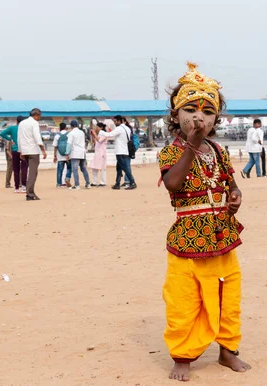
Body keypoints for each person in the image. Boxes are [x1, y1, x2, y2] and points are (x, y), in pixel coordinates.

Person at [158, 63, 250, 382]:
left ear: (216, 119)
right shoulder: (172, 152)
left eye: (208, 111)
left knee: (229, 294)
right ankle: (182, 356)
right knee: (184, 297)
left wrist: (235, 196)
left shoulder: (219, 150)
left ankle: (227, 351)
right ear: (175, 115)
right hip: (187, 237)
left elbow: (229, 183)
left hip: (222, 234)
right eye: (191, 108)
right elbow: (172, 184)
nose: (200, 117)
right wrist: (193, 145)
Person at [17, 108, 47, 201]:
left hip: (25, 150)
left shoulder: (22, 123)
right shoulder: (34, 123)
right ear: (37, 114)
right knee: (33, 173)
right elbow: (37, 137)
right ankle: (29, 193)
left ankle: (31, 192)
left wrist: (20, 150)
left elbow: (19, 137)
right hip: (33, 150)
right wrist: (43, 150)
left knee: (32, 172)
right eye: (40, 116)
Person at [104, 115, 137, 190]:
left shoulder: (119, 128)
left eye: (115, 121)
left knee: (125, 168)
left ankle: (132, 182)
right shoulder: (127, 128)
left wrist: (101, 132)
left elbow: (109, 134)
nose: (115, 123)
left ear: (119, 121)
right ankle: (117, 183)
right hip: (125, 151)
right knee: (119, 168)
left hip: (120, 151)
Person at [0, 116, 28, 193]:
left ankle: (16, 187)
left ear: (16, 121)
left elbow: (2, 134)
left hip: (15, 149)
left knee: (16, 169)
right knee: (24, 168)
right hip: (24, 150)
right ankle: (24, 186)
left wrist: (10, 139)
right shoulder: (25, 128)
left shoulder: (12, 128)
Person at [66, 120, 91, 190]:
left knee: (75, 169)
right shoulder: (82, 132)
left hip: (75, 153)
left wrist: (67, 153)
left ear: (71, 126)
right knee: (83, 168)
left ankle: (77, 185)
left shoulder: (71, 133)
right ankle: (88, 183)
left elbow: (69, 144)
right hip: (82, 152)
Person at [53, 122, 72, 188]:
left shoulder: (57, 136)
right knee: (69, 168)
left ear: (59, 128)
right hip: (68, 155)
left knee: (59, 170)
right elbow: (70, 144)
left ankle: (59, 184)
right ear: (65, 128)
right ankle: (67, 178)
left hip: (60, 156)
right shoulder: (69, 134)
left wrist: (54, 156)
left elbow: (55, 146)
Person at [89, 122, 108, 186]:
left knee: (102, 168)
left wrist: (94, 133)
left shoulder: (104, 134)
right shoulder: (98, 134)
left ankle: (103, 182)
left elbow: (99, 140)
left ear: (101, 128)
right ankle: (94, 182)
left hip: (102, 153)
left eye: (97, 127)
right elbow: (95, 142)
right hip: (97, 152)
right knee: (94, 167)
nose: (96, 128)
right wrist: (92, 135)